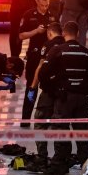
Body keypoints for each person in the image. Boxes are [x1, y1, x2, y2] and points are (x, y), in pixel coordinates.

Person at [39, 21, 88, 175]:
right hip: (82, 99)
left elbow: (43, 74)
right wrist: (86, 92)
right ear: (77, 34)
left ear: (64, 33)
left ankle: (59, 165)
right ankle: (87, 166)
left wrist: (53, 90)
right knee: (82, 132)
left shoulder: (58, 51)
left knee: (62, 131)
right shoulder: (86, 52)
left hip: (63, 98)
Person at [27, 22, 64, 165]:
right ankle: (59, 158)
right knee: (59, 125)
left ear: (49, 33)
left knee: (40, 122)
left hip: (48, 91)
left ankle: (42, 156)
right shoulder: (67, 44)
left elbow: (41, 67)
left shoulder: (48, 46)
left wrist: (33, 87)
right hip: (63, 92)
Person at [19, 0, 57, 128]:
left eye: (47, 5)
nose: (44, 8)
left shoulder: (53, 15)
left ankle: (51, 118)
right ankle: (25, 119)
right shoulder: (29, 15)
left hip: (50, 56)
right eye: (42, 5)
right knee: (31, 86)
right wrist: (36, 31)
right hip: (34, 56)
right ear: (36, 1)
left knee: (52, 87)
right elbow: (21, 35)